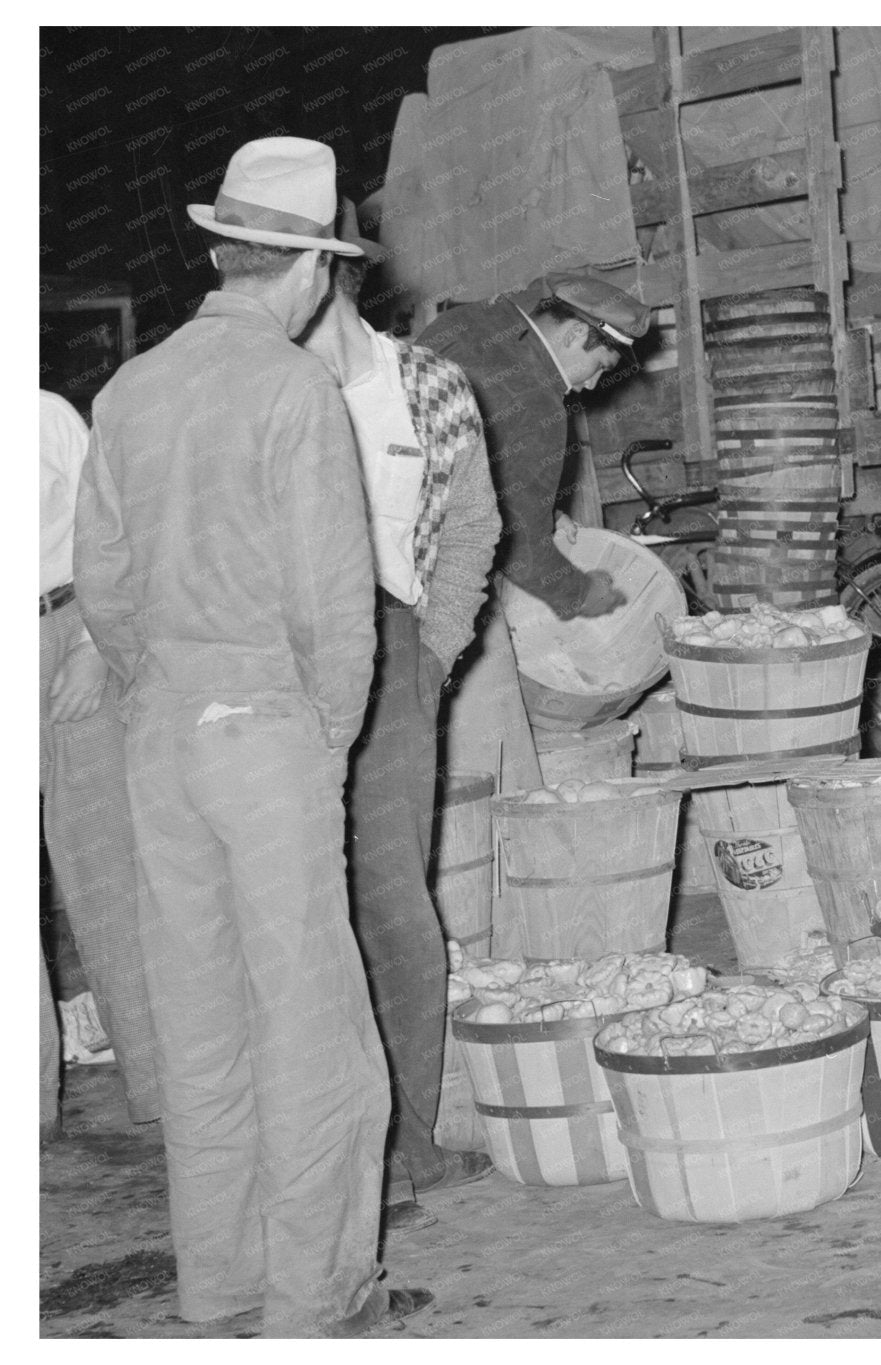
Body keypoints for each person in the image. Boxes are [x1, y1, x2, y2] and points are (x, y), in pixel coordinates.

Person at [72, 137, 428, 1335]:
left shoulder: (130, 389)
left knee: (202, 1017)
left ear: (227, 254)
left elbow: (104, 587)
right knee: (310, 1019)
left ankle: (216, 1285)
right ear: (315, 271)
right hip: (265, 731)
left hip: (160, 731)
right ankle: (315, 1296)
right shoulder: (290, 390)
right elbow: (338, 608)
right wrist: (318, 739)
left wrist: (165, 691)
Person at [301, 202, 499, 1234]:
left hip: (390, 663)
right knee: (296, 914)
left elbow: (472, 525)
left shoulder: (425, 385)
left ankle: (410, 1139)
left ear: (333, 268)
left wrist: (431, 649)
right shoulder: (262, 383)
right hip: (277, 661)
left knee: (391, 906)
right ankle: (320, 1150)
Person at [413, 271, 650, 791]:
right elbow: (515, 542)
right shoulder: (539, 402)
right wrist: (579, 591)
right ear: (569, 335)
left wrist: (541, 511)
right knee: (491, 748)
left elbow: (465, 461)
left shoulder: (464, 322)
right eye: (597, 365)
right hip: (443, 579)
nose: (590, 385)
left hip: (393, 554)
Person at [40, 390, 160, 1135]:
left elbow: (113, 531)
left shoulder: (41, 412)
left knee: (107, 874)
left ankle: (162, 1090)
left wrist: (91, 642)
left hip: (59, 634)